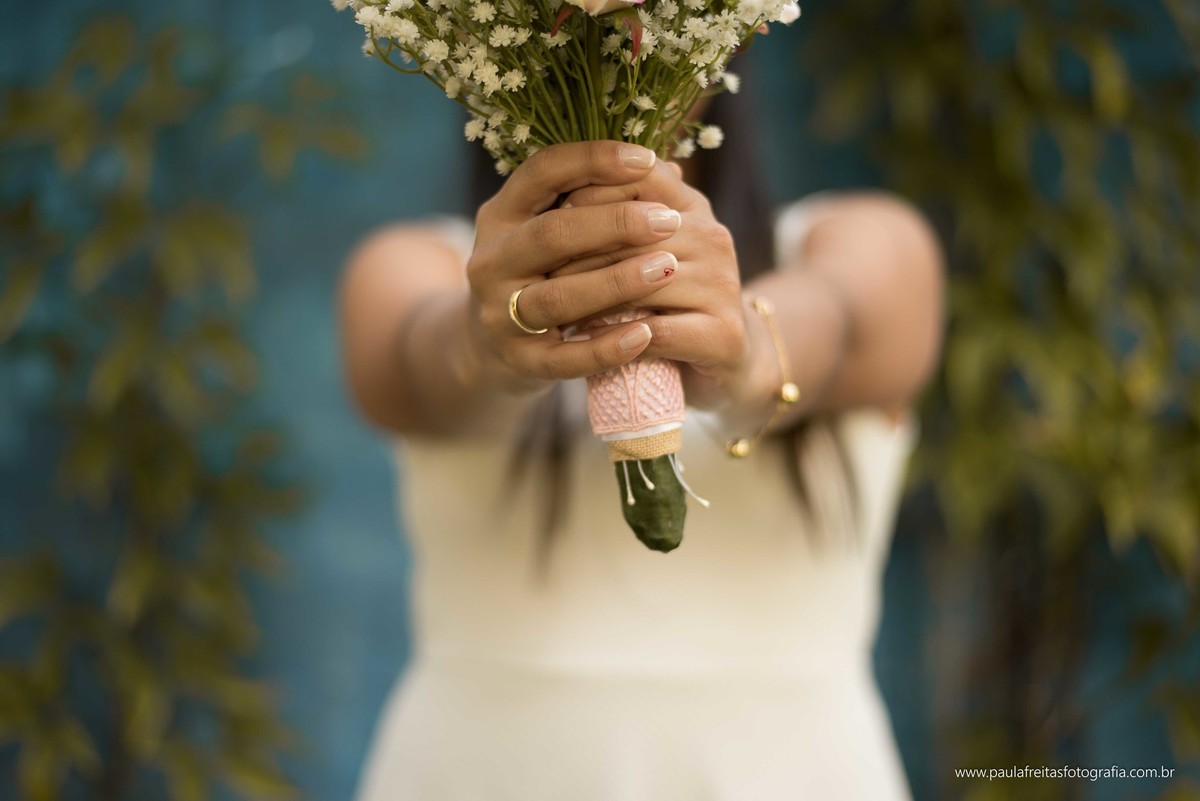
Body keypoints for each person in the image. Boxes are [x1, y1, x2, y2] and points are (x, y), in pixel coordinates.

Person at [339, 82, 944, 799]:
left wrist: (745, 349)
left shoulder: (865, 245)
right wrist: (490, 343)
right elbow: (426, 359)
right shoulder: (413, 271)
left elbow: (837, 320)